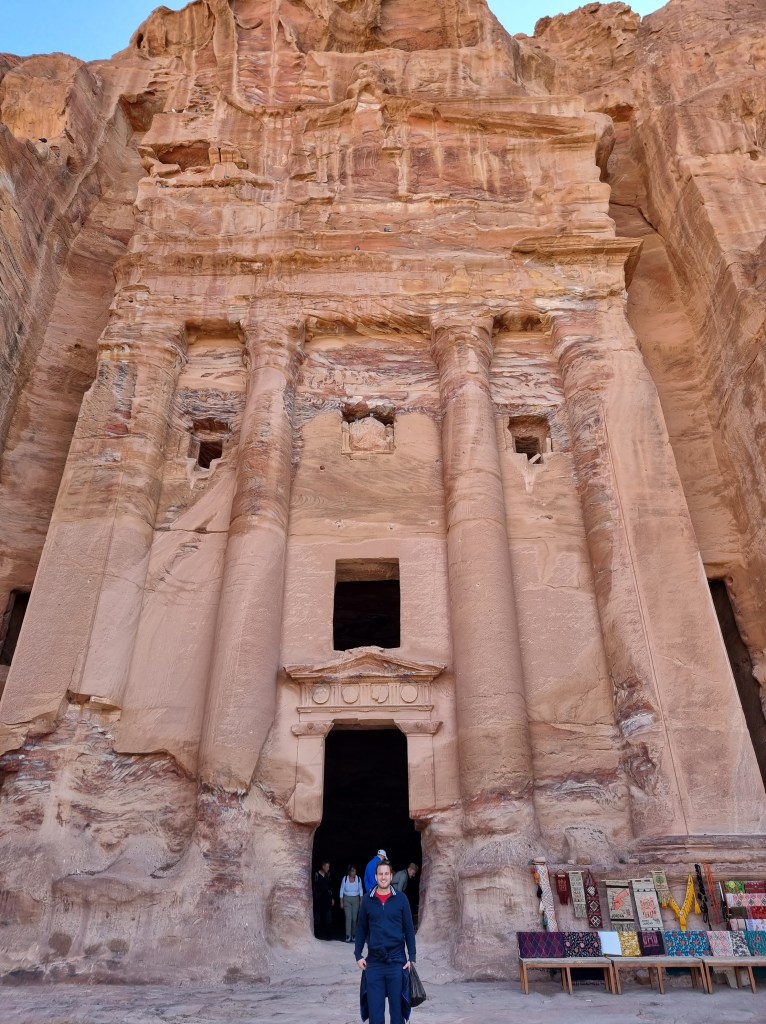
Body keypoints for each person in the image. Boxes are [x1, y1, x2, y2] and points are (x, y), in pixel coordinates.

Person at [355, 859, 416, 1024]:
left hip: (396, 961)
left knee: (397, 1015)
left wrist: (412, 957)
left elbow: (409, 929)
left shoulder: (401, 899)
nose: (383, 877)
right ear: (375, 876)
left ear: (391, 875)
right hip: (374, 962)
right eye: (380, 874)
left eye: (386, 874)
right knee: (375, 1015)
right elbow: (361, 928)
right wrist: (358, 955)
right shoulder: (367, 900)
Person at [339, 864, 363, 942]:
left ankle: (354, 934)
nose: (354, 873)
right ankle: (348, 935)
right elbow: (341, 890)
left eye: (355, 871)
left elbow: (361, 890)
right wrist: (341, 901)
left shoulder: (358, 879)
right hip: (347, 899)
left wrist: (361, 900)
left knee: (354, 918)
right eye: (352, 871)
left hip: (356, 899)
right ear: (349, 872)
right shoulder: (345, 879)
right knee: (348, 917)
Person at [313, 861, 334, 940]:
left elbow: (331, 886)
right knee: (317, 916)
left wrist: (332, 898)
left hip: (327, 898)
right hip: (319, 898)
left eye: (329, 867)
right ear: (323, 866)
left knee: (328, 916)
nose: (328, 868)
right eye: (327, 867)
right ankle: (317, 935)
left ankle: (329, 935)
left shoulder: (328, 874)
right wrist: (314, 898)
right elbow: (314, 887)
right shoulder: (316, 874)